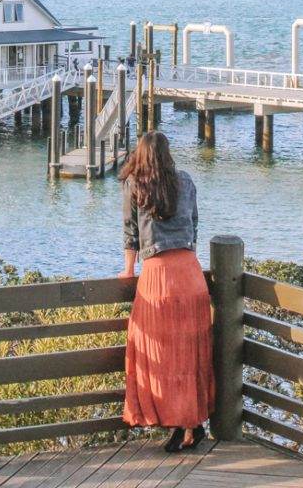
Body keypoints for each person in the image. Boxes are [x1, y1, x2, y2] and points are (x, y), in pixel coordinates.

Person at [119, 131, 214, 453]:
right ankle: (192, 425)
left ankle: (177, 425)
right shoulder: (185, 181)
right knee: (189, 356)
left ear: (141, 154)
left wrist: (128, 270)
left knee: (159, 356)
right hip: (190, 273)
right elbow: (195, 226)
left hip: (158, 276)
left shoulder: (135, 184)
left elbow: (131, 233)